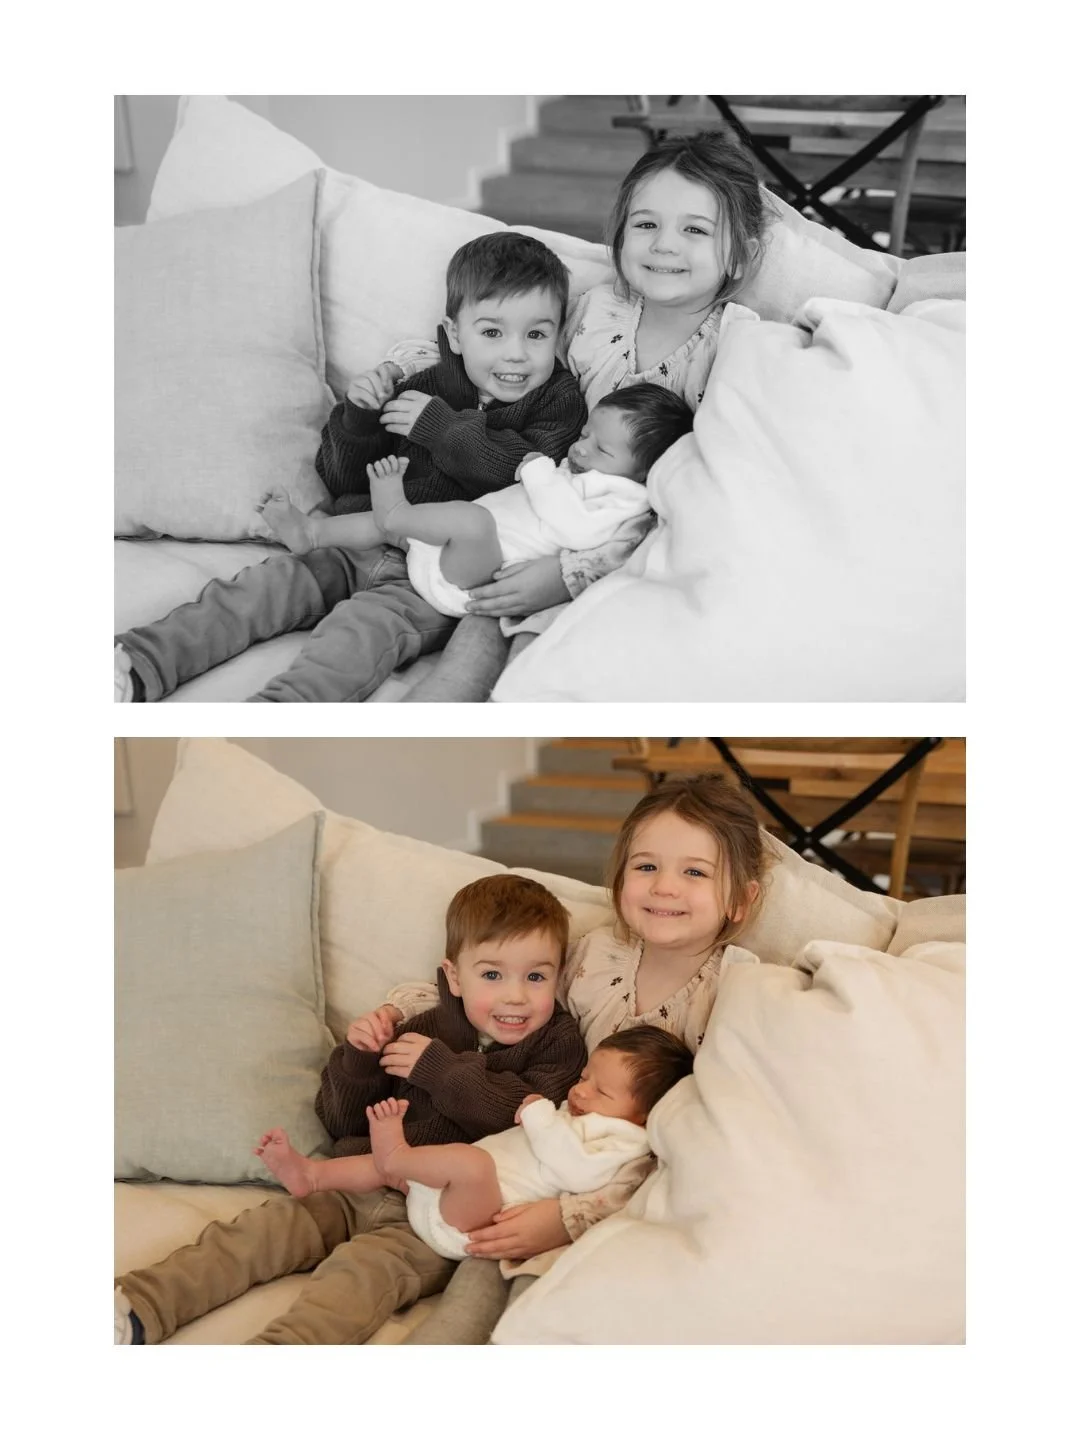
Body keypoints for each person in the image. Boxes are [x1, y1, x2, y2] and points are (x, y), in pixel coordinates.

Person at [361, 772, 773, 1341]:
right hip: (525, 1172)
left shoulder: (734, 993)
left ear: (741, 899)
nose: (664, 888)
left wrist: (570, 1218)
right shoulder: (594, 955)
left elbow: (707, 1144)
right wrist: (398, 1013)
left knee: (544, 1308)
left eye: (695, 872)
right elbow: (506, 1000)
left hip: (621, 1198)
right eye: (646, 866)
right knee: (469, 1294)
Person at [113, 231, 587, 703]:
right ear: (455, 334)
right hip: (352, 541)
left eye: (536, 334)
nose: (516, 353)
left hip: (432, 578)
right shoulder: (423, 384)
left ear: (557, 335)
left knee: (354, 637)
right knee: (259, 590)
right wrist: (359, 418)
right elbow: (341, 476)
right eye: (491, 332)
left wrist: (443, 430)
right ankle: (136, 666)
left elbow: (530, 475)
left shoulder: (560, 403)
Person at [113, 874, 587, 1344]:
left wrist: (442, 1073)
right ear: (454, 977)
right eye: (491, 974)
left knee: (353, 1284)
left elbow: (532, 1122)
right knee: (257, 1234)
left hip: (432, 1219)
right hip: (351, 1181)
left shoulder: (559, 1044)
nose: (515, 996)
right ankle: (138, 1308)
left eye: (535, 976)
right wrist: (359, 1060)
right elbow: (340, 1119)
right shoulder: (423, 1027)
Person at [393, 128, 769, 701]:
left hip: (622, 548)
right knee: (467, 658)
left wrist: (570, 572)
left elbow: (704, 501)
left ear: (741, 251)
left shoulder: (736, 346)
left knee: (535, 674)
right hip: (532, 523)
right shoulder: (597, 311)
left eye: (695, 230)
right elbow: (517, 368)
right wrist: (414, 370)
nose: (665, 245)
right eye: (646, 224)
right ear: (619, 234)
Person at [256, 1025, 694, 1263]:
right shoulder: (582, 1115)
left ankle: (398, 1157)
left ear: (643, 1116)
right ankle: (312, 1175)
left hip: (473, 1224)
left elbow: (575, 1171)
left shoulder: (623, 1141)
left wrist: (542, 1117)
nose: (579, 1093)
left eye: (601, 1092)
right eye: (583, 1080)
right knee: (397, 1166)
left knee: (470, 1163)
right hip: (450, 1199)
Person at [259, 383, 694, 619]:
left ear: (643, 472)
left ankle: (397, 514)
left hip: (476, 580)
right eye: (584, 437)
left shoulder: (624, 498)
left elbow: (574, 529)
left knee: (470, 521)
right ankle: (312, 532)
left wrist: (540, 472)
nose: (579, 450)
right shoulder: (585, 470)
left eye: (601, 450)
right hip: (450, 554)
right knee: (401, 523)